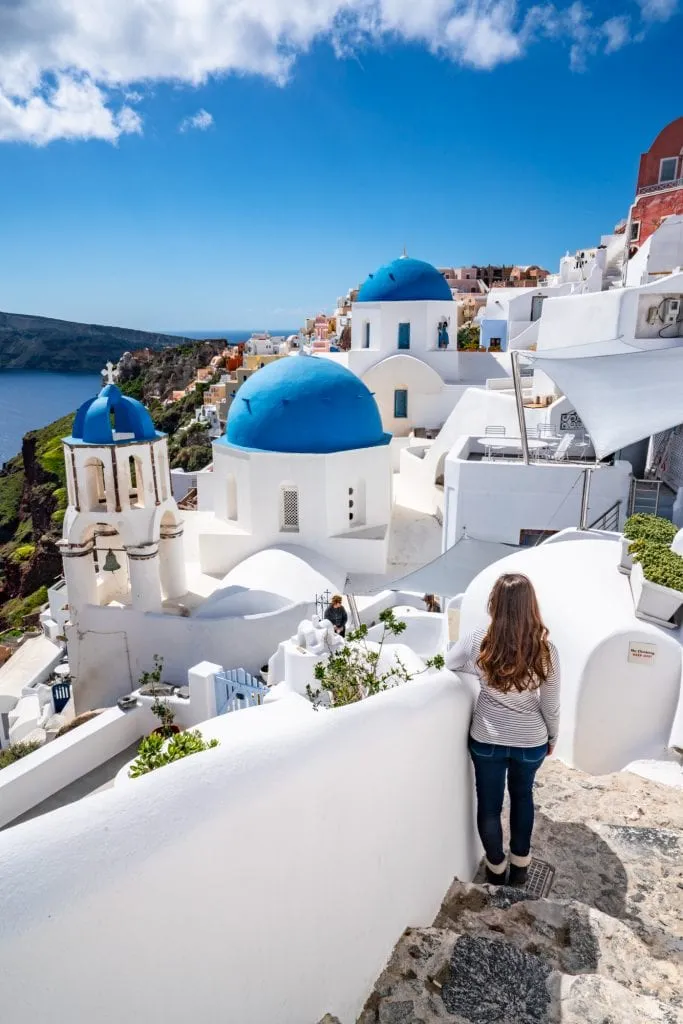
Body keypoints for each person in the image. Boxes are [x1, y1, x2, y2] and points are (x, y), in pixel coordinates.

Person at [446, 573, 559, 887]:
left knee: (490, 805)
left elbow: (449, 663)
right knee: (523, 797)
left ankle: (496, 868)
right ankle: (520, 867)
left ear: (494, 602)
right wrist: (552, 737)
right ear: (530, 606)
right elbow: (551, 703)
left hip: (487, 739)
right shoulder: (545, 649)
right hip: (530, 740)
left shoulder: (478, 640)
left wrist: (481, 669)